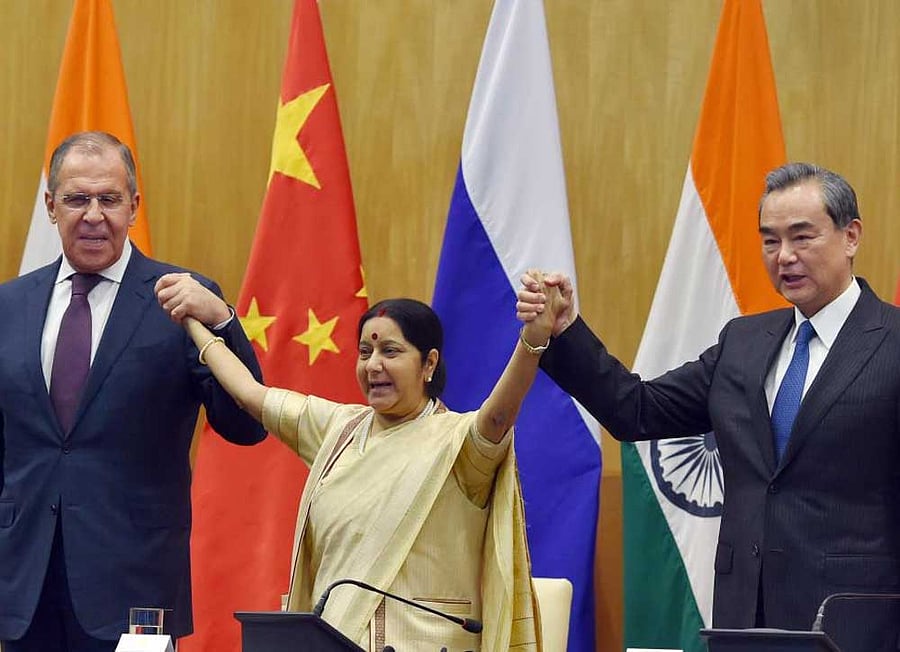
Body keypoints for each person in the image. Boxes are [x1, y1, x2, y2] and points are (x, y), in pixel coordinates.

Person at [517, 162, 900, 650]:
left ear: (851, 236)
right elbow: (635, 409)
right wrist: (565, 329)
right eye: (770, 240)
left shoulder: (892, 343)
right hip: (743, 619)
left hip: (858, 623)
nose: (784, 256)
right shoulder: (744, 342)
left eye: (802, 237)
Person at [155, 276, 560, 652]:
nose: (373, 366)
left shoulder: (458, 442)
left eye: (391, 351)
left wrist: (533, 339)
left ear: (429, 364)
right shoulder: (337, 429)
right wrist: (197, 321)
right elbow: (249, 393)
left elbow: (498, 416)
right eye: (365, 352)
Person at [0, 131, 266, 652]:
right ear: (51, 207)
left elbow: (247, 424)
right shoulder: (10, 306)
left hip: (136, 588)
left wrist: (225, 323)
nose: (94, 214)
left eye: (109, 199)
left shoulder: (181, 299)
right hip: (26, 587)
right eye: (77, 199)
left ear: (134, 206)